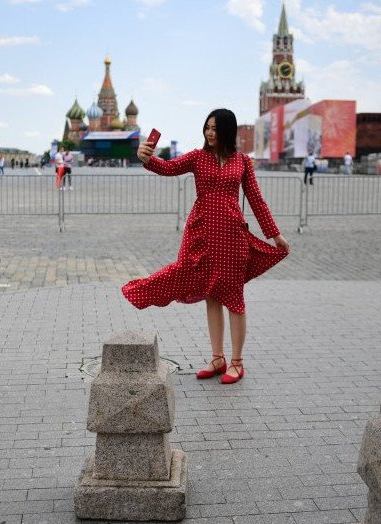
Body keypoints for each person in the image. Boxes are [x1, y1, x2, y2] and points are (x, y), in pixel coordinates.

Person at [122, 108, 290, 384]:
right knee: (211, 295)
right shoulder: (197, 157)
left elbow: (256, 200)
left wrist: (275, 234)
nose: (210, 133)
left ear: (228, 131)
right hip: (202, 235)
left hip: (232, 237)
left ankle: (237, 362)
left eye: (215, 129)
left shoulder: (243, 162)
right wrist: (147, 159)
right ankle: (217, 358)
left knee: (234, 298)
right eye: (207, 127)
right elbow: (168, 167)